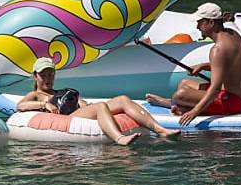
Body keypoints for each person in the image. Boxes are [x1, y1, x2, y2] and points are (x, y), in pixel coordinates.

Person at [15, 57, 179, 145]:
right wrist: (44, 104)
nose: (48, 78)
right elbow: (20, 106)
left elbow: (81, 103)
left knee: (122, 99)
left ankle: (160, 129)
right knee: (101, 106)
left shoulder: (60, 92)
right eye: (43, 75)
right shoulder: (36, 95)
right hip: (66, 119)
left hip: (77, 113)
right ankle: (119, 138)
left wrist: (84, 104)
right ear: (35, 76)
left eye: (51, 74)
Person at [145, 2, 241, 126]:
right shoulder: (233, 34)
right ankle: (176, 105)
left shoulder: (218, 49)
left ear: (211, 23)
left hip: (233, 103)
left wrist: (194, 112)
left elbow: (215, 88)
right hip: (235, 96)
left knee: (181, 94)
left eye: (200, 22)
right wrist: (203, 66)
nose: (197, 27)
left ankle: (179, 106)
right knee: (184, 83)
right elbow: (230, 65)